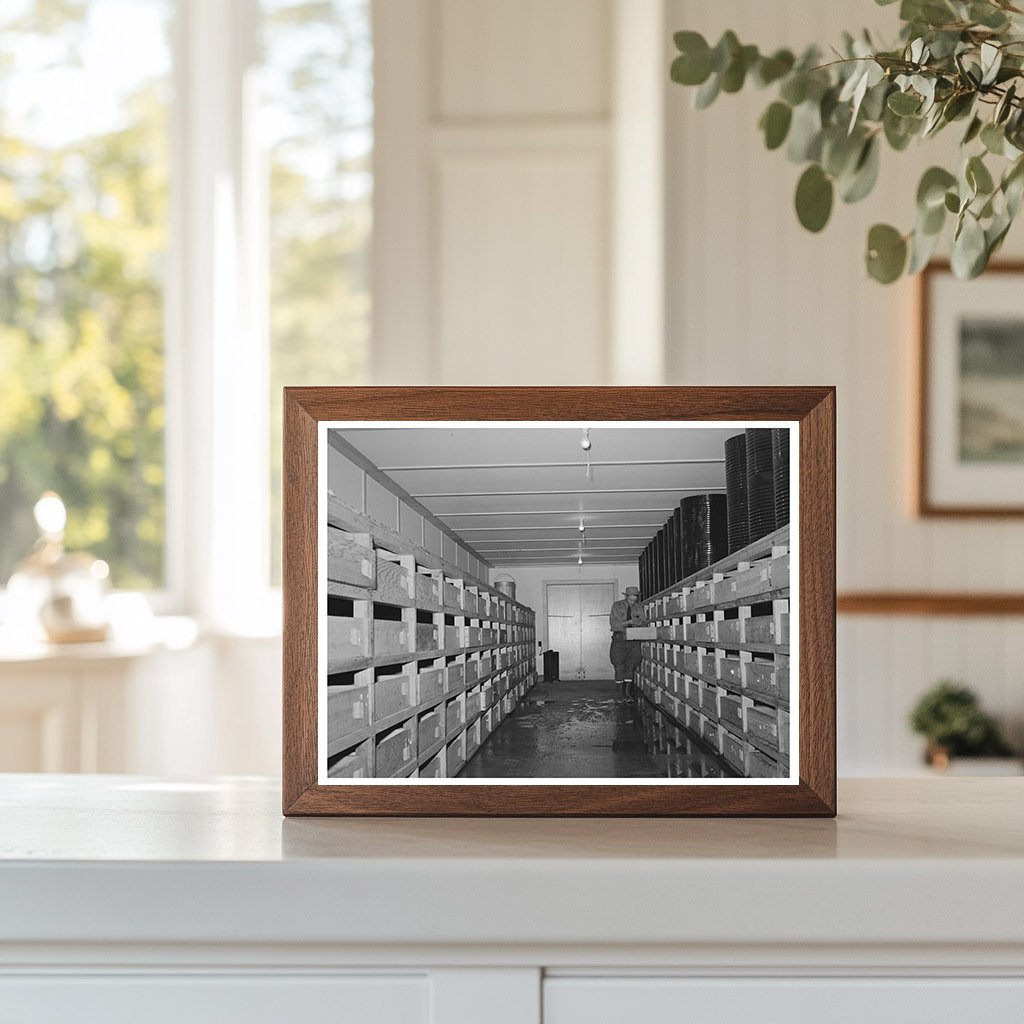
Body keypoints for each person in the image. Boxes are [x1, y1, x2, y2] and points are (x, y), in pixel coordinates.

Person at [609, 586, 646, 698]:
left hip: (633, 640)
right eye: (632, 595)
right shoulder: (617, 606)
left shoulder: (638, 608)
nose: (634, 598)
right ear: (627, 595)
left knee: (630, 666)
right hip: (619, 639)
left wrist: (637, 623)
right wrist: (627, 622)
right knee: (619, 666)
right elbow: (613, 624)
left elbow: (643, 622)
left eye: (636, 596)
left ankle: (628, 693)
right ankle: (620, 694)